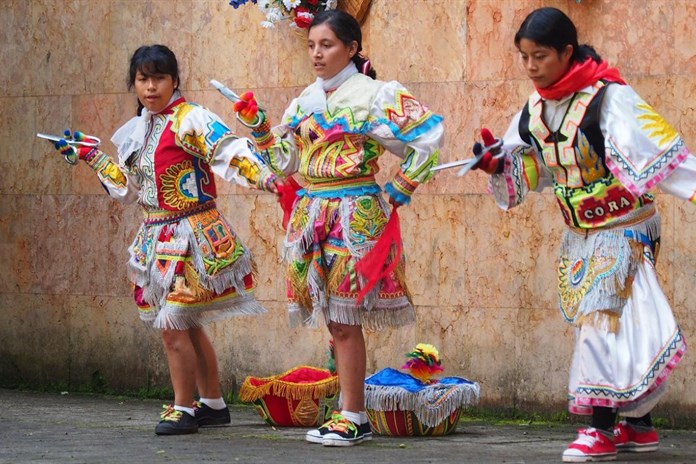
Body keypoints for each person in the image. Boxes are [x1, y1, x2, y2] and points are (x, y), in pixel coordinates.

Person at [472, 7, 692, 463]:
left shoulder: (609, 99)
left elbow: (664, 156)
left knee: (600, 321)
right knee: (618, 326)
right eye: (525, 57)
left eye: (541, 56)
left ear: (567, 52)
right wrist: (496, 163)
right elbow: (533, 168)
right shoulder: (533, 110)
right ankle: (639, 426)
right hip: (580, 232)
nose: (531, 67)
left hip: (625, 228)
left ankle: (599, 429)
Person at [232, 10, 444, 447]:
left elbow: (430, 134)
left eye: (326, 45)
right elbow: (284, 164)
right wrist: (258, 129)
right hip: (313, 215)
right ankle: (351, 410)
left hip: (356, 214)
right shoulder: (304, 100)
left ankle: (353, 414)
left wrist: (399, 189)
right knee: (334, 317)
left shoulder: (376, 94)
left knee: (346, 318)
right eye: (311, 45)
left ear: (351, 47)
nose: (316, 54)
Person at [52, 44, 279, 435]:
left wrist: (267, 178)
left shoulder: (191, 119)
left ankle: (183, 408)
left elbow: (229, 151)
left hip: (192, 235)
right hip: (156, 237)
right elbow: (128, 190)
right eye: (143, 79)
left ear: (175, 80)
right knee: (186, 324)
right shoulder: (139, 127)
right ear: (134, 83)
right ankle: (212, 403)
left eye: (159, 78)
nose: (151, 87)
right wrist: (92, 155)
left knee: (173, 325)